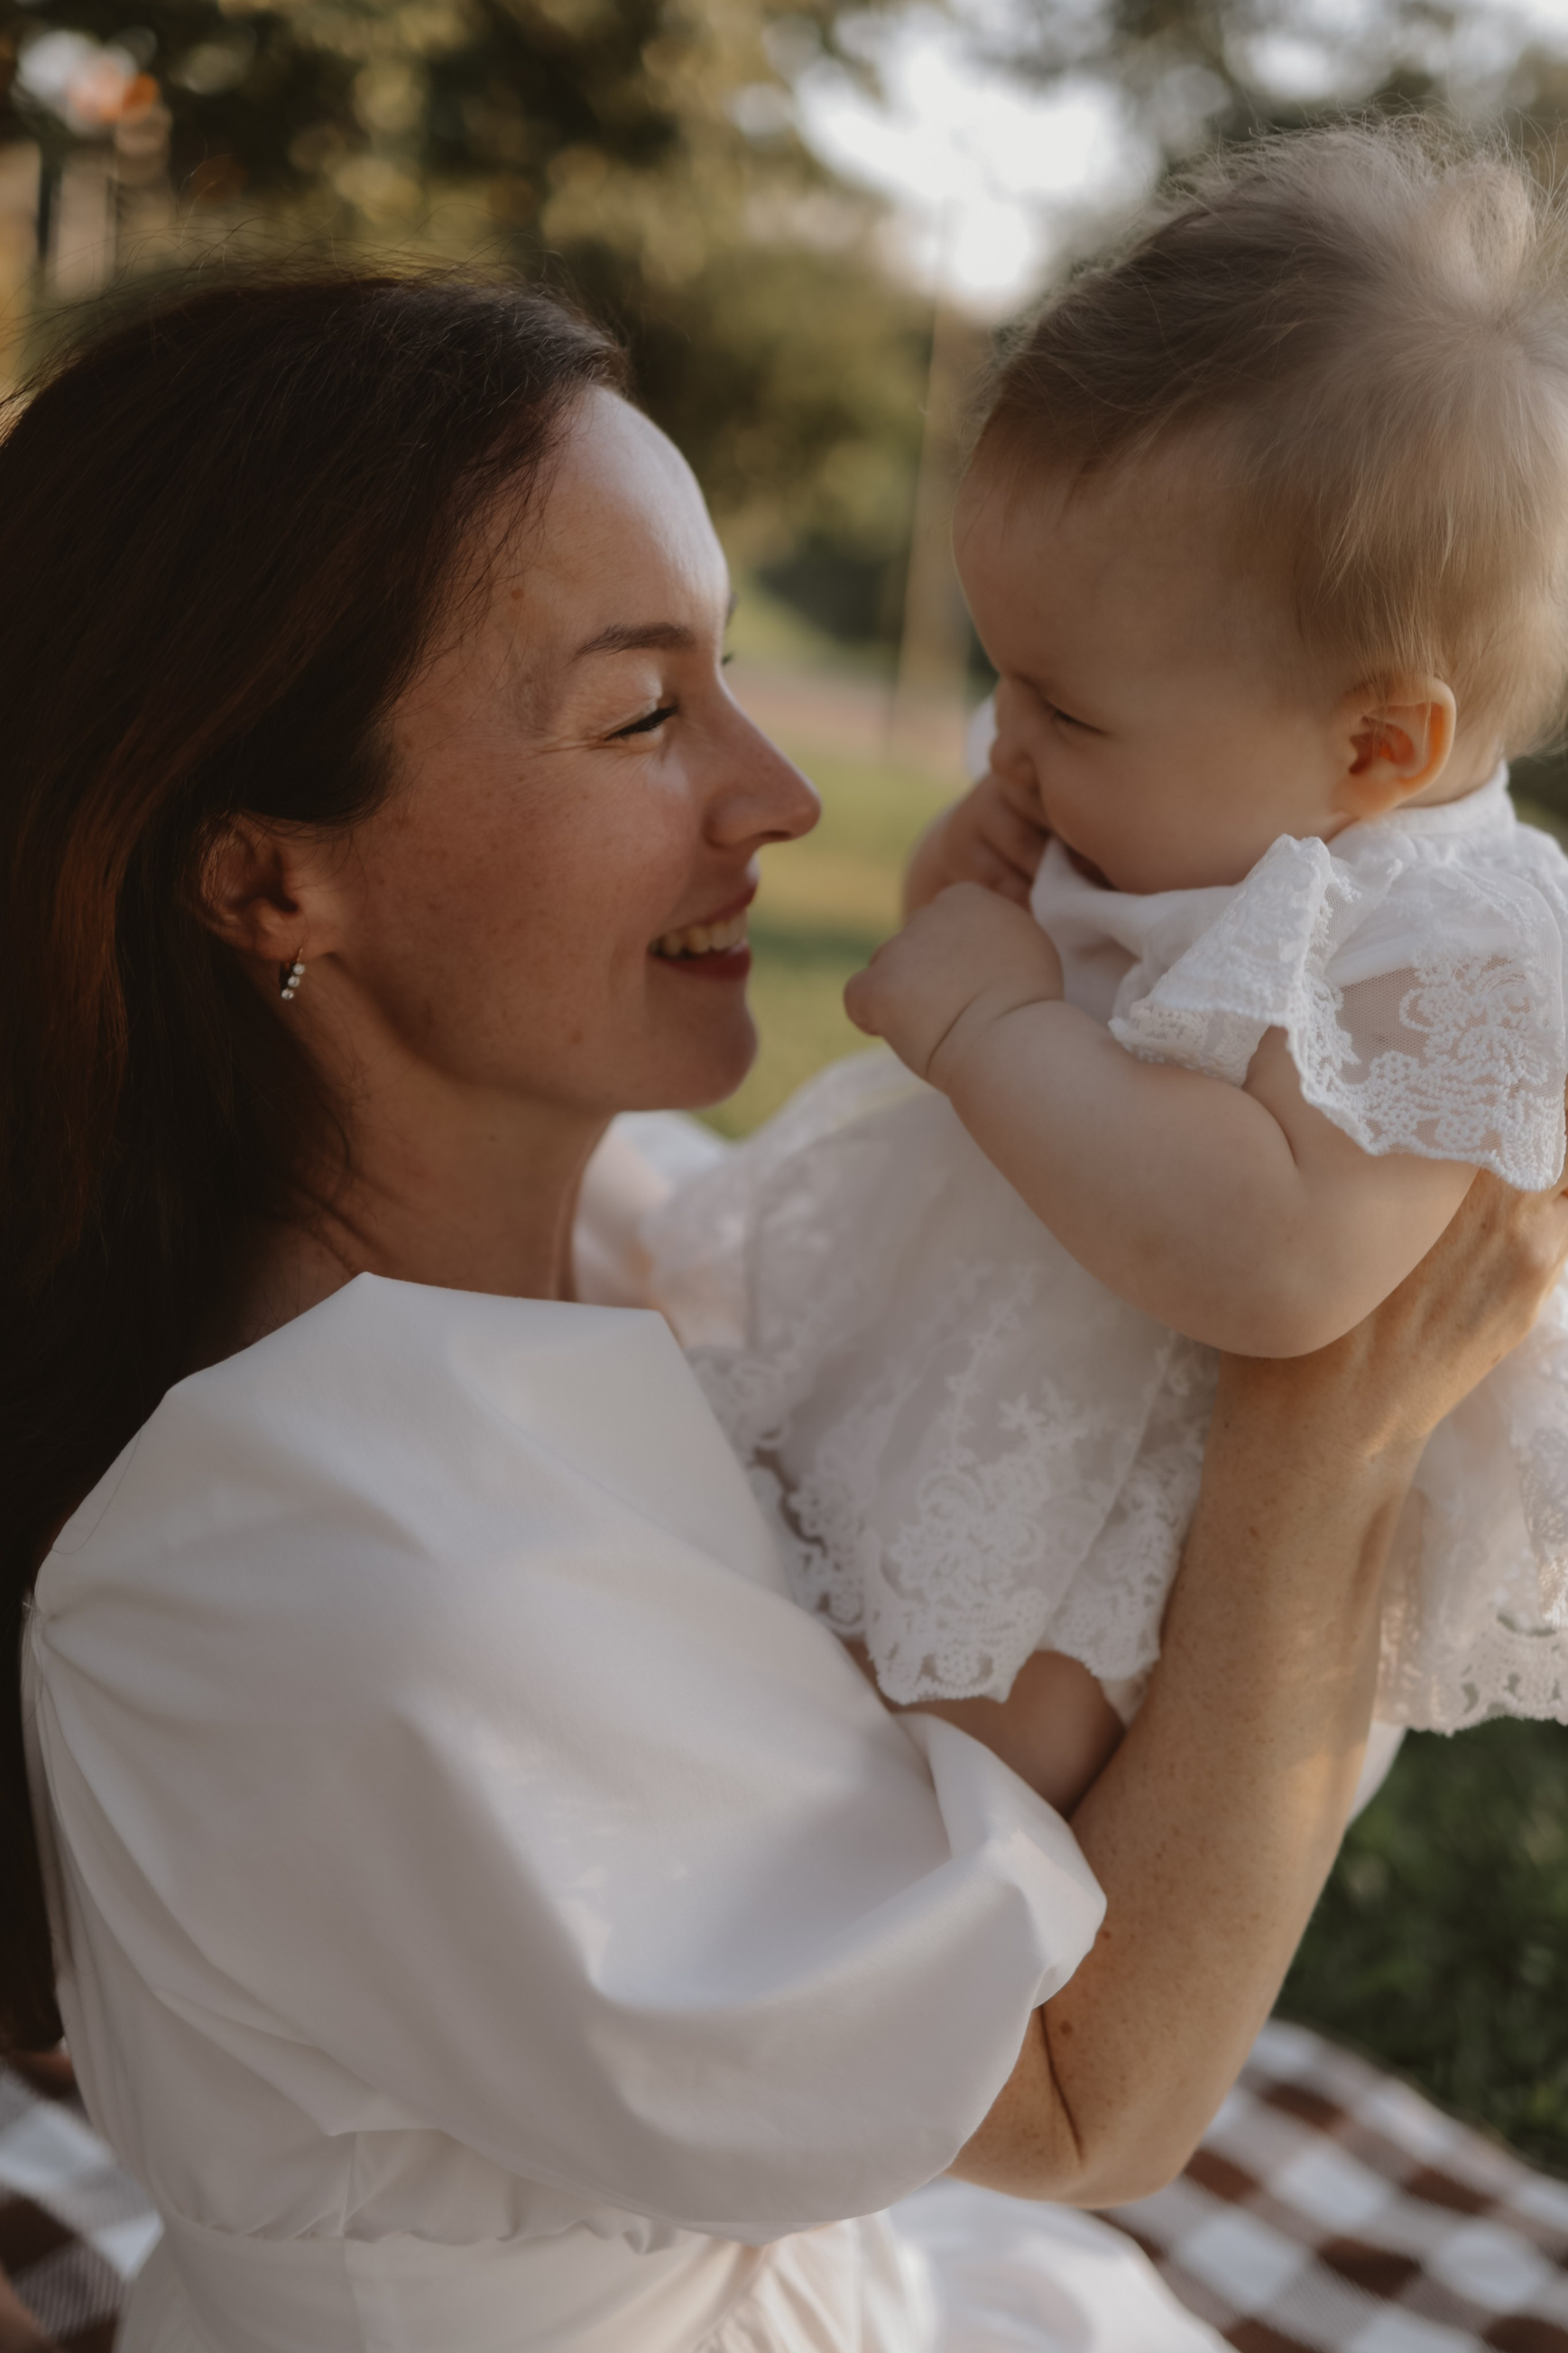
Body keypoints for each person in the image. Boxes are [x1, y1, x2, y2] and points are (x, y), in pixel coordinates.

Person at [2, 271, 1565, 2353]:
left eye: (730, 672)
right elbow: (1083, 2091)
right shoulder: (347, 1572)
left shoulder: (622, 1244)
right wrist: (1325, 1429)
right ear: (271, 882)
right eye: (644, 715)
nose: (786, 793)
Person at [646, 124, 1568, 1814]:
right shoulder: (1161, 792)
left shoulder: (1454, 942)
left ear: (1378, 746)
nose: (1008, 738)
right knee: (751, 1543)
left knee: (970, 1767)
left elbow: (1281, 1259)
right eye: (1004, 676)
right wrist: (968, 895)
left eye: (1064, 710)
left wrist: (998, 1022)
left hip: (1147, 1532)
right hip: (957, 1348)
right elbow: (967, 928)